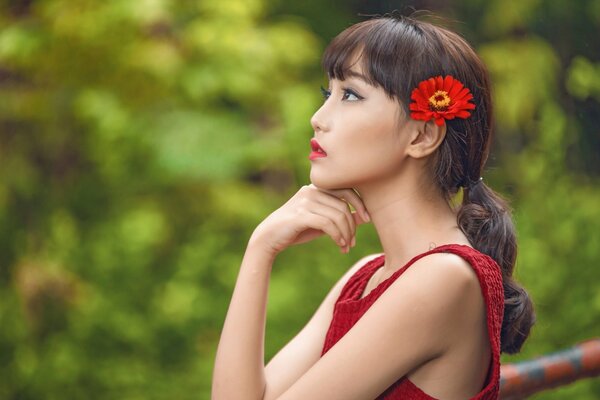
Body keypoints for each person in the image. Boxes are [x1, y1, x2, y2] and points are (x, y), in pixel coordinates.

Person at [212, 13, 535, 400]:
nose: (318, 119)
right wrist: (260, 248)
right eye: (326, 94)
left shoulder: (444, 279)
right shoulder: (365, 277)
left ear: (422, 134)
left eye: (350, 95)